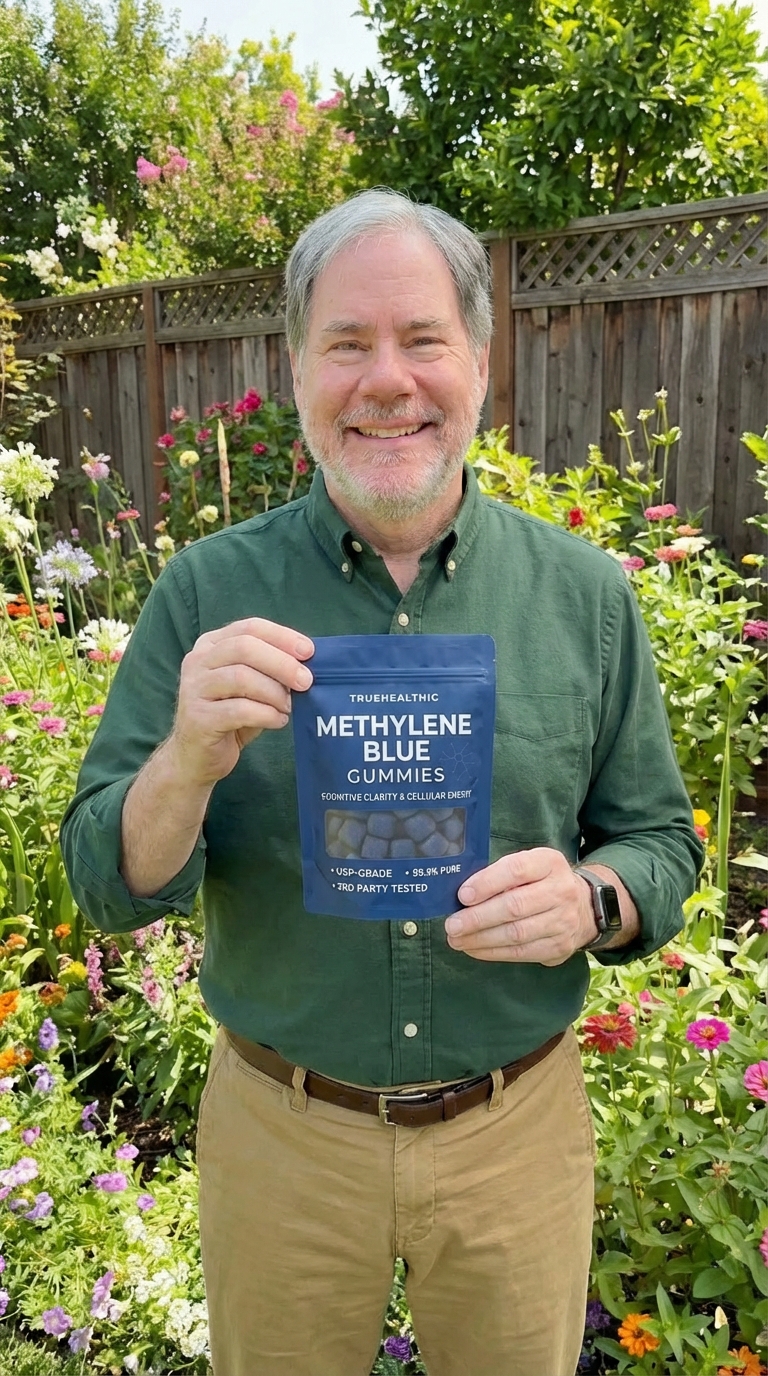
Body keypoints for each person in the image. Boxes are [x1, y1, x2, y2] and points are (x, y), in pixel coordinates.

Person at [61, 188, 702, 1376]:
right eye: (347, 344)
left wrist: (594, 900)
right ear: (298, 367)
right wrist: (186, 760)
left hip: (516, 1131)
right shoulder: (205, 595)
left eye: (420, 339)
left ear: (477, 359)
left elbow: (660, 839)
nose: (386, 379)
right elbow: (108, 880)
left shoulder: (585, 598)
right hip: (282, 1136)